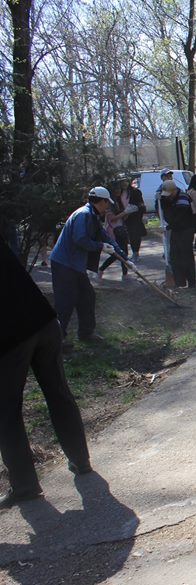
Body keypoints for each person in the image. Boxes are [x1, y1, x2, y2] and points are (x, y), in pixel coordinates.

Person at [0, 242, 92, 508]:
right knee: (58, 392)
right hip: (45, 322)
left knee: (6, 412)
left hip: (11, 336)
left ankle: (25, 485)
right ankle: (81, 459)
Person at [49, 187, 123, 341]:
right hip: (64, 263)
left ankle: (86, 333)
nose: (108, 206)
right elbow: (80, 239)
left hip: (75, 264)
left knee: (87, 296)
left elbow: (105, 237)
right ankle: (56, 340)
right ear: (101, 201)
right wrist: (100, 246)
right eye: (106, 203)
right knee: (65, 302)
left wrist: (124, 257)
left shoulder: (93, 215)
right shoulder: (83, 215)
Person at [159, 180, 196, 287]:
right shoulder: (168, 198)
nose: (168, 197)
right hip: (176, 230)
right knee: (174, 255)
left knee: (186, 255)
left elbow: (178, 216)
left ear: (174, 190)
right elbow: (167, 214)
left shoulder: (183, 198)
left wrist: (168, 227)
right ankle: (179, 281)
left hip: (186, 229)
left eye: (169, 194)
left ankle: (191, 282)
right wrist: (161, 200)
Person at [97, 183, 130, 280]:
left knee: (124, 252)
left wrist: (127, 212)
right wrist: (125, 212)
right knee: (116, 253)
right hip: (113, 231)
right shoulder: (109, 204)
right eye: (116, 190)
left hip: (121, 229)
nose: (119, 192)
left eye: (119, 190)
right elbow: (112, 219)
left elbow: (123, 217)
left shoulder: (118, 202)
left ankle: (125, 273)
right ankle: (101, 269)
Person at [155, 168, 176, 287]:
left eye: (170, 175)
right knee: (168, 243)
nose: (169, 177)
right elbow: (159, 207)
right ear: (163, 177)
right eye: (167, 175)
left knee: (172, 243)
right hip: (167, 221)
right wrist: (162, 221)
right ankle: (168, 261)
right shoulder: (161, 189)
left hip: (173, 221)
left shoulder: (173, 187)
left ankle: (170, 260)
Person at [120, 178, 147, 262]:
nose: (124, 184)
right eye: (122, 182)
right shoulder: (119, 193)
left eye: (125, 181)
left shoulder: (135, 192)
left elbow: (141, 205)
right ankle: (130, 253)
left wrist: (132, 211)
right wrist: (122, 214)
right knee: (129, 236)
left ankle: (136, 253)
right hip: (124, 217)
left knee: (135, 235)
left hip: (135, 217)